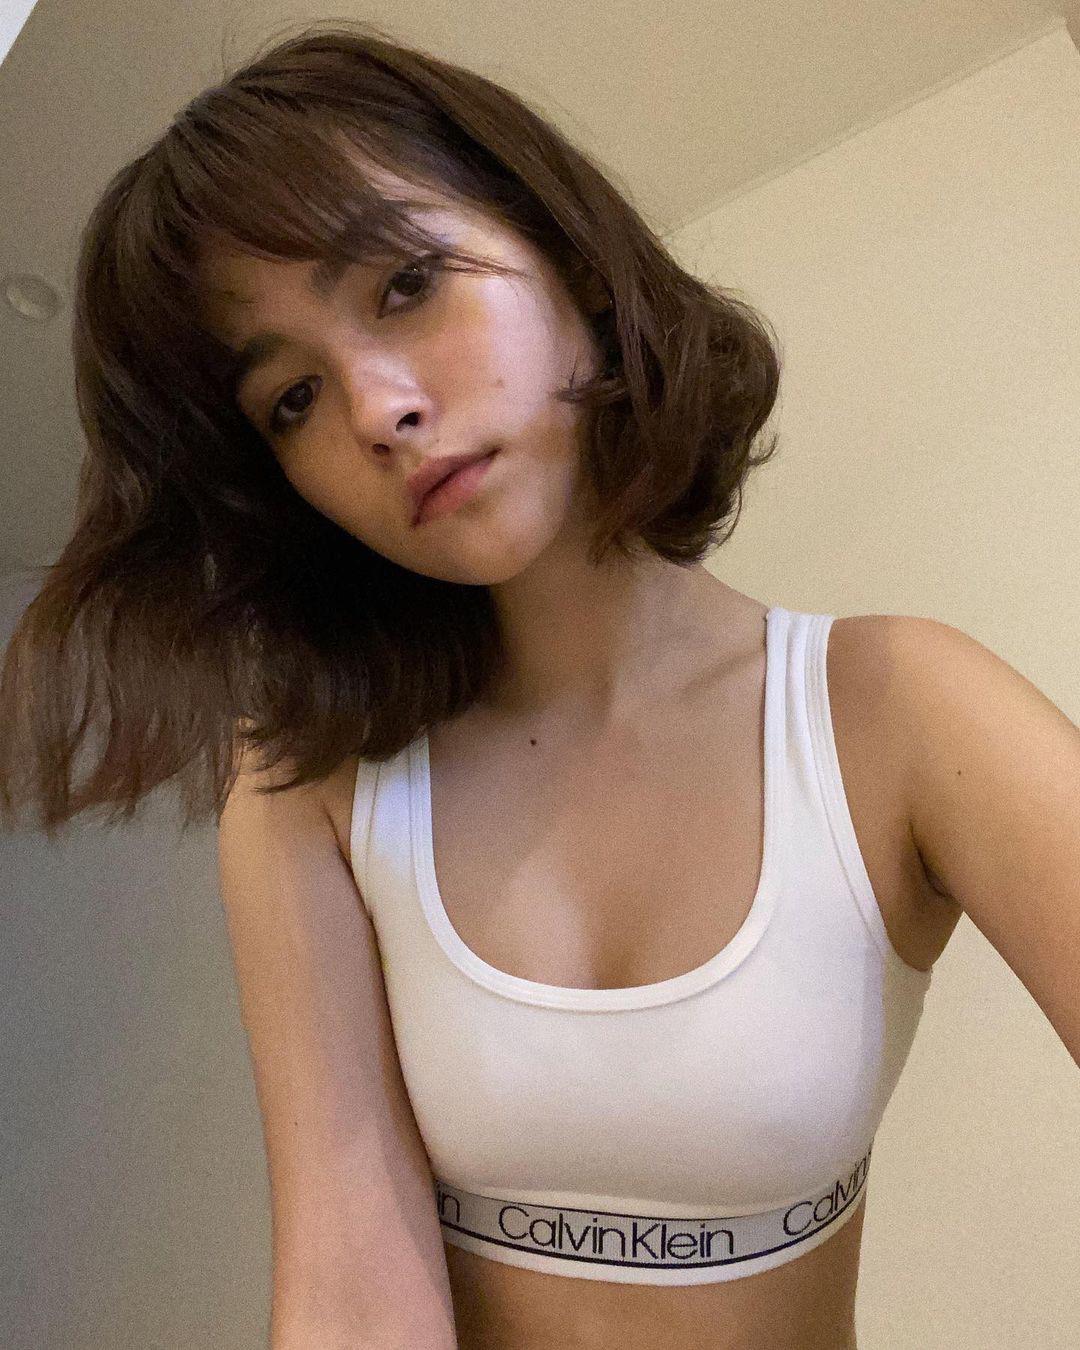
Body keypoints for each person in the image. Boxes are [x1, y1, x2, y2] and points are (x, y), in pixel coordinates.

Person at [0, 19, 958, 1350]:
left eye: (405, 284)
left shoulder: (899, 709)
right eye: (290, 400)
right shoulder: (308, 794)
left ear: (568, 254)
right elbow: (349, 1284)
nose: (376, 408)